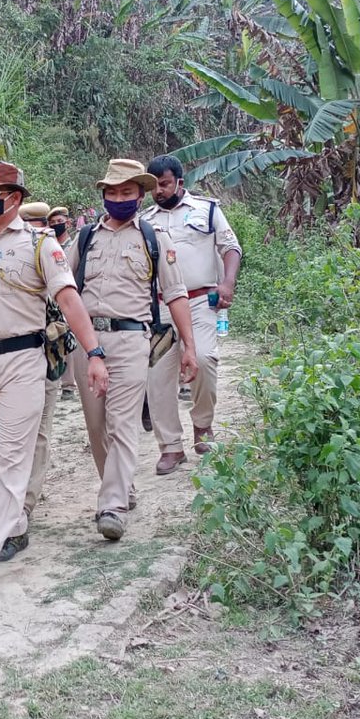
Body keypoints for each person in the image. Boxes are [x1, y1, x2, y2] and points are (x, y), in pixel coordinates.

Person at [0, 162, 109, 584]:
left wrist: (94, 351)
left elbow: (69, 300)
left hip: (22, 360)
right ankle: (13, 524)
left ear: (14, 198)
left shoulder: (40, 244)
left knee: (11, 454)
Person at [67, 159, 198, 540]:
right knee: (96, 425)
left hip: (131, 340)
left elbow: (175, 295)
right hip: (88, 342)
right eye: (113, 192)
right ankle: (123, 485)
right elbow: (64, 287)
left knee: (122, 422)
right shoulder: (86, 238)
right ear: (104, 195)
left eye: (127, 192)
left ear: (140, 195)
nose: (119, 198)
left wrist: (189, 346)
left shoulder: (154, 238)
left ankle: (111, 505)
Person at [143, 154, 242, 475]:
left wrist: (227, 283)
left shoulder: (208, 210)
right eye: (154, 186)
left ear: (179, 183)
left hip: (201, 301)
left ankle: (203, 427)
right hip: (159, 307)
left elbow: (230, 247)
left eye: (165, 184)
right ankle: (170, 447)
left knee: (205, 359)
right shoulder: (144, 220)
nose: (159, 191)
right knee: (158, 377)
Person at [16, 201, 62, 539]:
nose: (37, 232)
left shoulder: (51, 253)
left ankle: (26, 502)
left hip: (46, 358)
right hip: (9, 362)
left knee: (40, 432)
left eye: (40, 225)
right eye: (29, 225)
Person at [47, 205, 78, 395]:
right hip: (51, 300)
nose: (57, 225)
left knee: (68, 337)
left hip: (70, 296)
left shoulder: (74, 245)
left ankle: (68, 384)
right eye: (53, 223)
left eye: (60, 222)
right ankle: (57, 377)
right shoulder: (49, 246)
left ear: (68, 223)